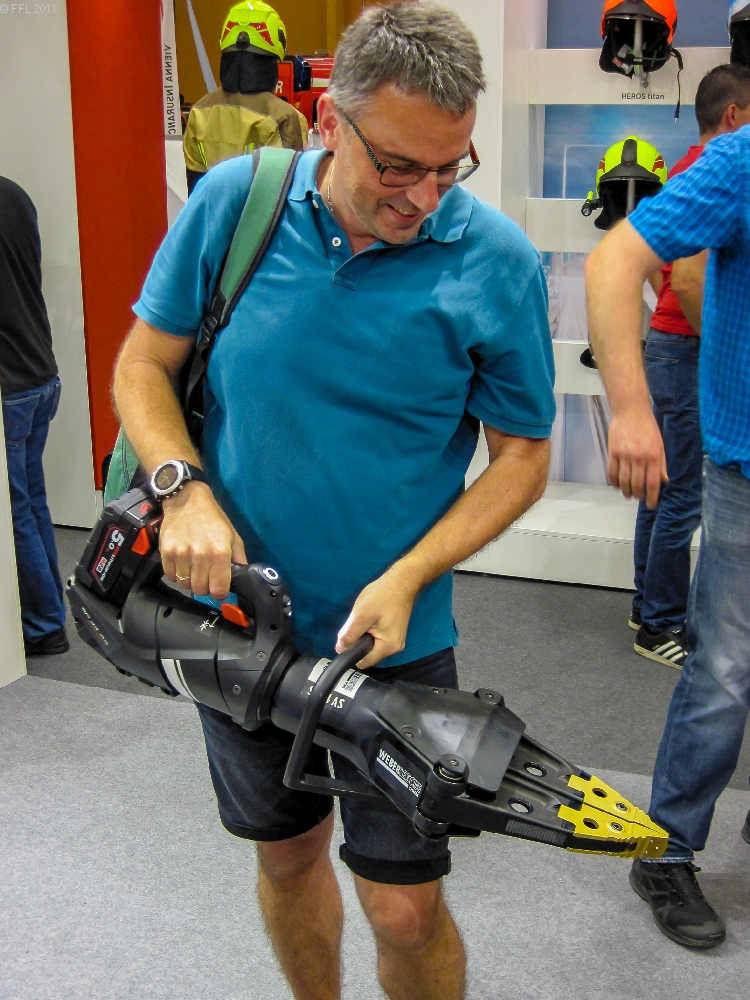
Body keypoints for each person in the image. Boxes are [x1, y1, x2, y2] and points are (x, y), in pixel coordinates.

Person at [113, 4, 554, 997]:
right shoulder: (235, 204)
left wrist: (411, 574)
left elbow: (523, 456)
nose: (425, 197)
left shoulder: (496, 260)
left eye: (451, 167)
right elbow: (144, 364)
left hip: (394, 643)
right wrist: (183, 493)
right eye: (398, 166)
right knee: (286, 857)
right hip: (234, 625)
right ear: (327, 122)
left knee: (405, 906)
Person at [585, 78, 750, 947]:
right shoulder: (741, 159)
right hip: (745, 462)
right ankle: (667, 848)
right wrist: (632, 407)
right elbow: (617, 258)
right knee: (724, 670)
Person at [630, 65, 750, 670]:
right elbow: (689, 278)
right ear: (733, 115)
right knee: (683, 494)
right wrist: (717, 344)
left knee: (661, 486)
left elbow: (664, 272)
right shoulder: (719, 172)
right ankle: (659, 623)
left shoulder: (685, 169)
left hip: (668, 345)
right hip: (684, 351)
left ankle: (646, 606)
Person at [0, 177, 67, 657]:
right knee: (31, 503)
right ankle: (49, 614)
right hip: (39, 370)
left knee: (15, 511)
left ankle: (42, 626)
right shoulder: (14, 193)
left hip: (9, 386)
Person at [183, 1, 307, 194]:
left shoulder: (199, 111)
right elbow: (287, 193)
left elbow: (195, 190)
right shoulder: (285, 117)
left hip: (211, 213)